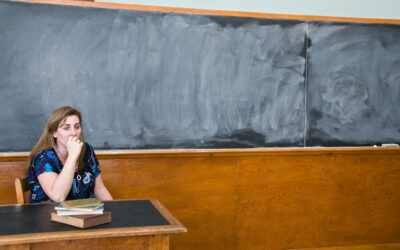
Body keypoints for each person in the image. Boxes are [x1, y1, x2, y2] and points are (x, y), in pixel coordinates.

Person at [26, 106, 113, 203]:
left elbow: (99, 189)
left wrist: (114, 210)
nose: (74, 133)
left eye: (77, 127)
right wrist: (72, 156)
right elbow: (58, 197)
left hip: (82, 213)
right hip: (47, 215)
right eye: (66, 128)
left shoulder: (87, 150)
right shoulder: (43, 158)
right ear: (54, 132)